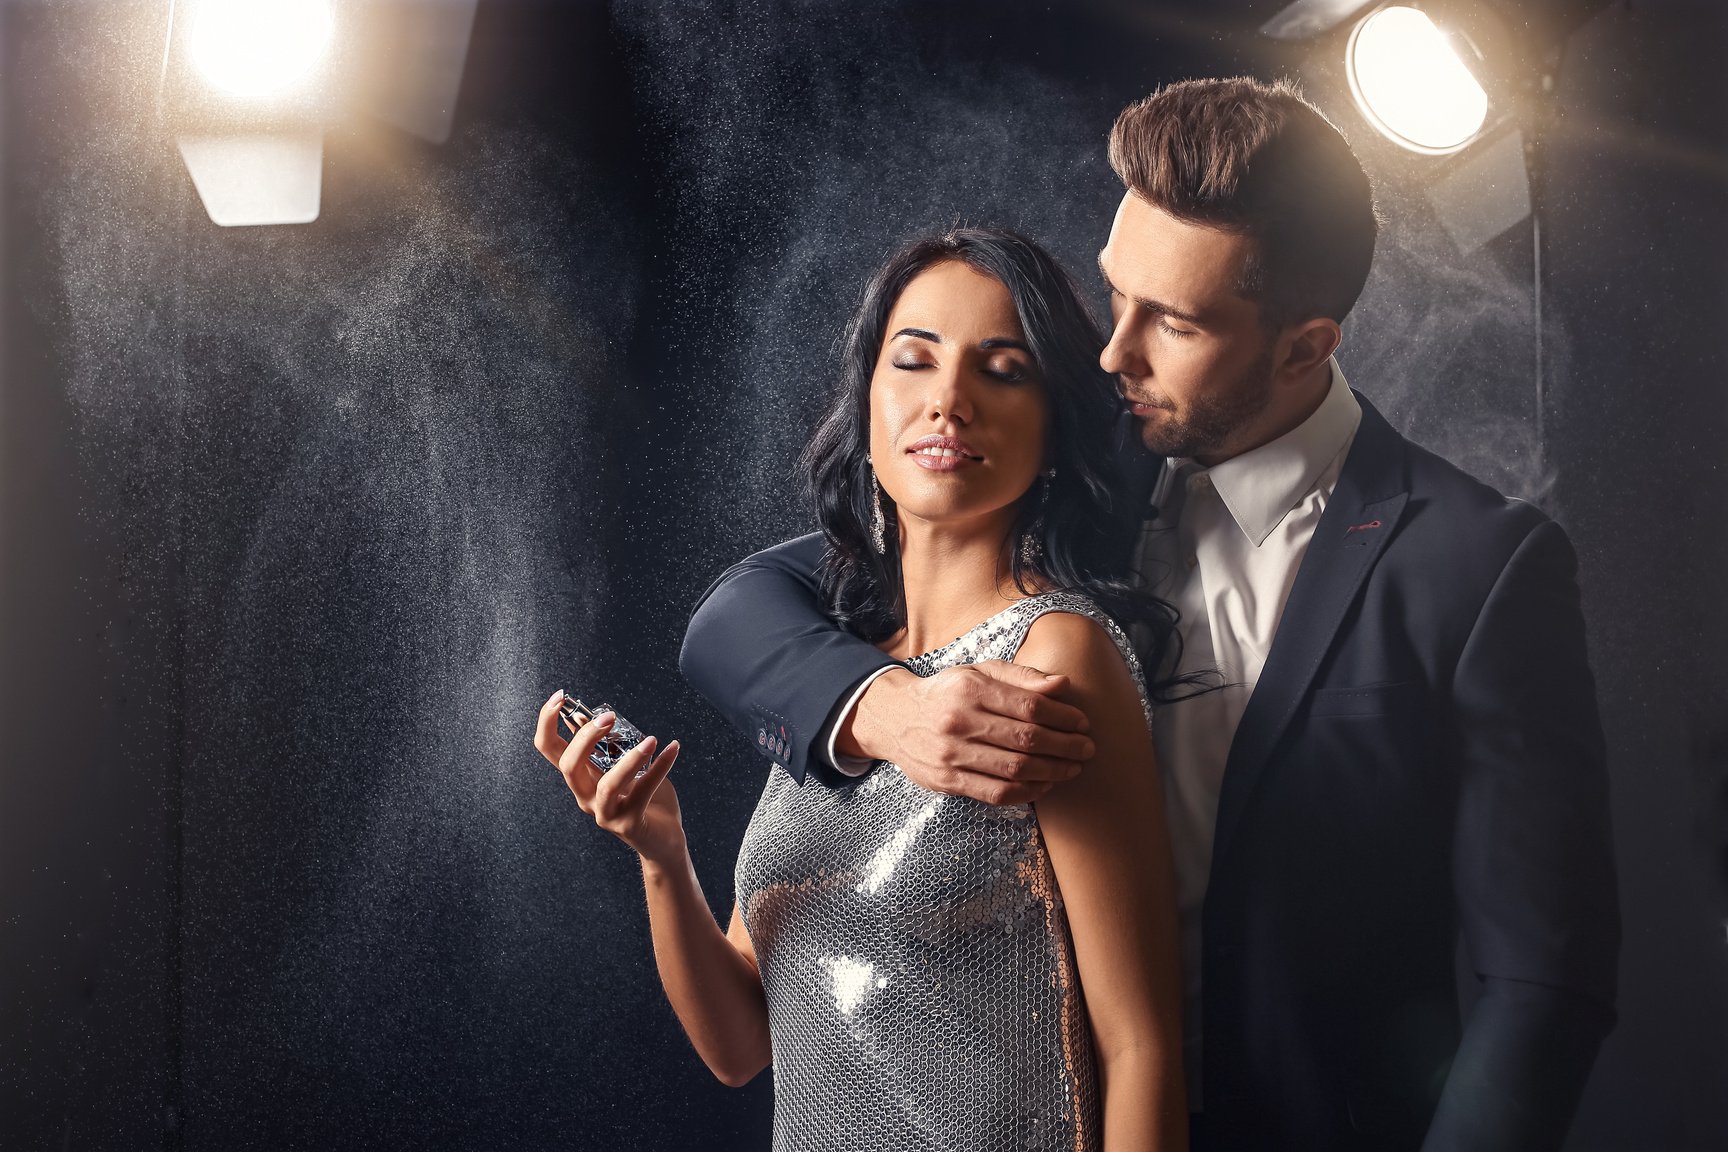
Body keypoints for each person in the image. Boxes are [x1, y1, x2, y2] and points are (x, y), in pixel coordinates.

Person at [680, 77, 1620, 1151]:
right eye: (1116, 292)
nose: (1112, 352)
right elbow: (737, 615)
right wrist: (880, 708)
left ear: (1305, 347)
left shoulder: (1479, 565)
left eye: (1168, 321)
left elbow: (1545, 982)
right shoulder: (1067, 462)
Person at [535, 228, 1189, 1149]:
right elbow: (739, 1044)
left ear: (1052, 430)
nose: (948, 401)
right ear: (869, 409)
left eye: (1002, 370)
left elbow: (1139, 1045)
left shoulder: (1058, 654)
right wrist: (660, 854)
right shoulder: (836, 679)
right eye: (913, 361)